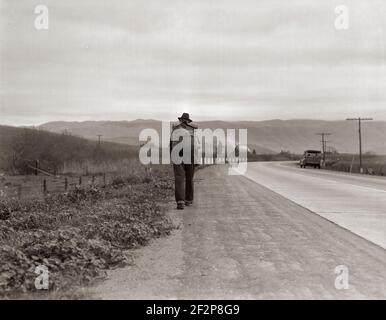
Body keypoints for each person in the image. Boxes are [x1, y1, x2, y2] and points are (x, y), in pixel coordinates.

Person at [170, 113, 198, 210]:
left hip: (177, 154)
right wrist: (196, 160)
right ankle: (188, 200)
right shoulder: (192, 129)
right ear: (188, 121)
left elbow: (171, 143)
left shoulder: (175, 129)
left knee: (179, 178)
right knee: (189, 177)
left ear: (180, 120)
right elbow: (196, 146)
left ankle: (180, 202)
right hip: (190, 155)